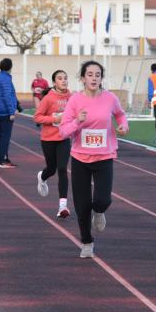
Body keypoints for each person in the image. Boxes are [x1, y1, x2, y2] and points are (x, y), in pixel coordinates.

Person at [59, 60, 128, 258]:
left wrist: (123, 127)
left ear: (101, 78)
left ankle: (99, 212)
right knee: (81, 205)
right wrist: (77, 121)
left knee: (102, 199)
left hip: (104, 156)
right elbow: (63, 131)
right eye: (89, 74)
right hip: (80, 158)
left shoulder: (110, 98)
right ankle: (87, 242)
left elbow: (121, 116)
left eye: (97, 74)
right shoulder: (74, 101)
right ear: (82, 78)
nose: (94, 78)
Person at [34, 70, 72, 218]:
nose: (63, 81)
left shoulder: (72, 97)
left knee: (62, 168)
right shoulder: (48, 99)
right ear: (54, 82)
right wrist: (53, 119)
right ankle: (42, 177)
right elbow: (37, 118)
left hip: (64, 139)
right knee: (52, 168)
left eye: (65, 78)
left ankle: (63, 206)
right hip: (48, 139)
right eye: (60, 78)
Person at [0, 58, 18, 168]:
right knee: (5, 137)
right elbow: (7, 96)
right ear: (10, 67)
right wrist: (12, 111)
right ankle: (2, 160)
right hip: (5, 111)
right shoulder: (6, 79)